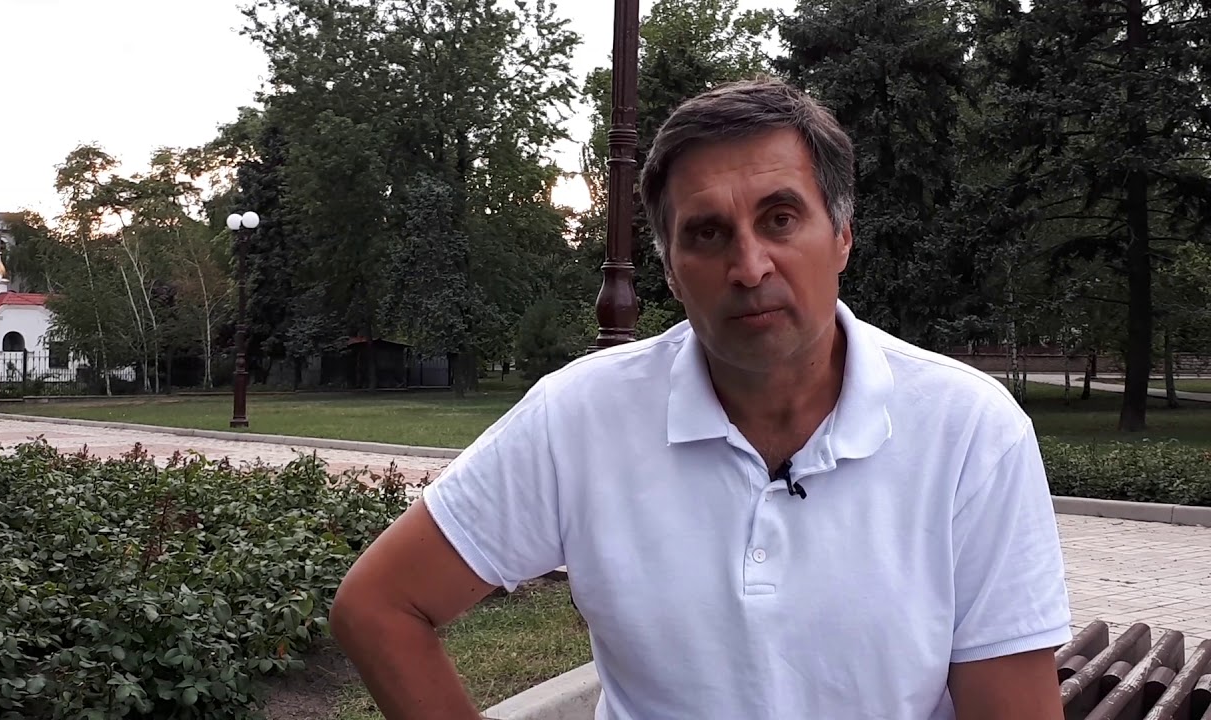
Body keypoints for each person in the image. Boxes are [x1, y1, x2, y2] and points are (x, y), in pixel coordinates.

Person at [329, 77, 1073, 720]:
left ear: (843, 236)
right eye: (708, 234)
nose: (749, 266)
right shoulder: (581, 418)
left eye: (780, 219)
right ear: (671, 271)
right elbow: (378, 606)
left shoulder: (970, 432)